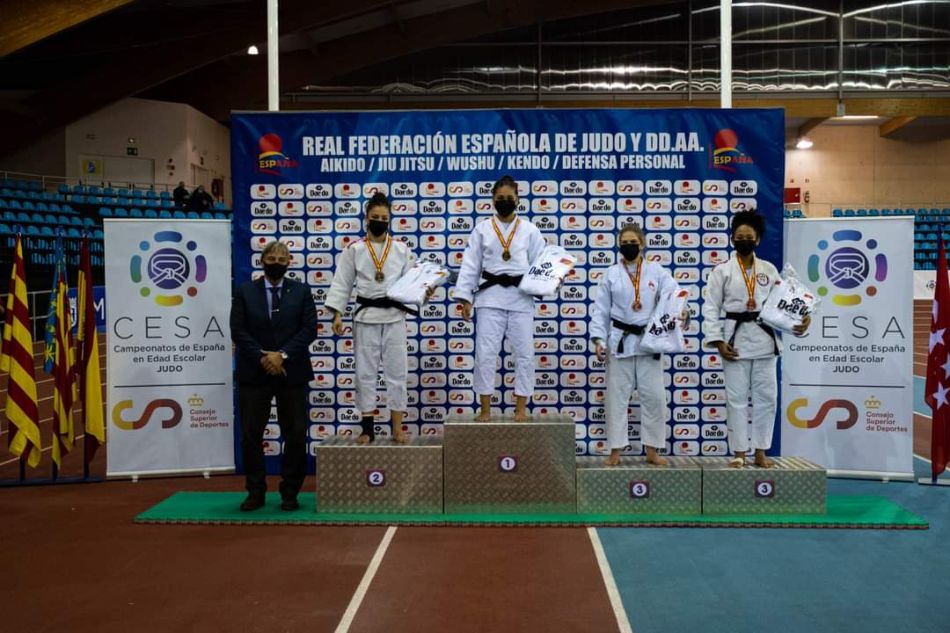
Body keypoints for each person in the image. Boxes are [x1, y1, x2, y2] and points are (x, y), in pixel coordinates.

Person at [702, 211, 810, 469]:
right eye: (739, 237)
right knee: (736, 399)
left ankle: (761, 451)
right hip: (734, 340)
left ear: (758, 240)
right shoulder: (722, 271)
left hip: (764, 341)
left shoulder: (769, 270)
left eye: (748, 237)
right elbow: (710, 307)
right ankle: (739, 451)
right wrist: (717, 341)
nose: (744, 240)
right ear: (732, 240)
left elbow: (784, 303)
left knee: (766, 399)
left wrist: (802, 319)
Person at [325, 192, 420, 445]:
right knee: (365, 373)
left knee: (397, 373)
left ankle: (397, 427)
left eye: (384, 217)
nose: (379, 220)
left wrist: (425, 289)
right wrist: (337, 314)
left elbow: (414, 282)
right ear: (366, 218)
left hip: (394, 317)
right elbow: (342, 284)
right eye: (375, 217)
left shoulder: (401, 249)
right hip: (365, 317)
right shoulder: (354, 250)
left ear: (390, 220)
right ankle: (367, 428)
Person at [230, 240, 318, 511]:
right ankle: (255, 492)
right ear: (262, 261)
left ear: (289, 261)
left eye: (282, 257)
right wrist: (263, 356)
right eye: (272, 257)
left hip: (291, 372)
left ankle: (290, 492)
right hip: (254, 372)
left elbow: (309, 329)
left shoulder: (301, 291)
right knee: (250, 434)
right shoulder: (245, 291)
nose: (277, 261)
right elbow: (237, 329)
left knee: (295, 433)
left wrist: (282, 355)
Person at [591, 223, 688, 467]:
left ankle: (652, 450)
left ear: (642, 244)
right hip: (620, 343)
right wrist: (599, 340)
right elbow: (601, 311)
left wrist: (683, 312)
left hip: (649, 343)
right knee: (616, 399)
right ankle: (615, 451)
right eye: (625, 242)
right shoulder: (611, 273)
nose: (629, 246)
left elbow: (674, 296)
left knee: (655, 399)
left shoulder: (656, 271)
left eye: (634, 242)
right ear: (619, 245)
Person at [454, 175, 546, 422]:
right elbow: (471, 266)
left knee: (524, 354)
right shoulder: (482, 229)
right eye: (500, 198)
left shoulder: (530, 230)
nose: (505, 202)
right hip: (489, 297)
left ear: (518, 200)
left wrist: (553, 279)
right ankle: (485, 409)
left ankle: (521, 408)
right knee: (485, 354)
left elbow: (542, 263)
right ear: (493, 200)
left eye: (509, 198)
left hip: (520, 298)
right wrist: (465, 298)